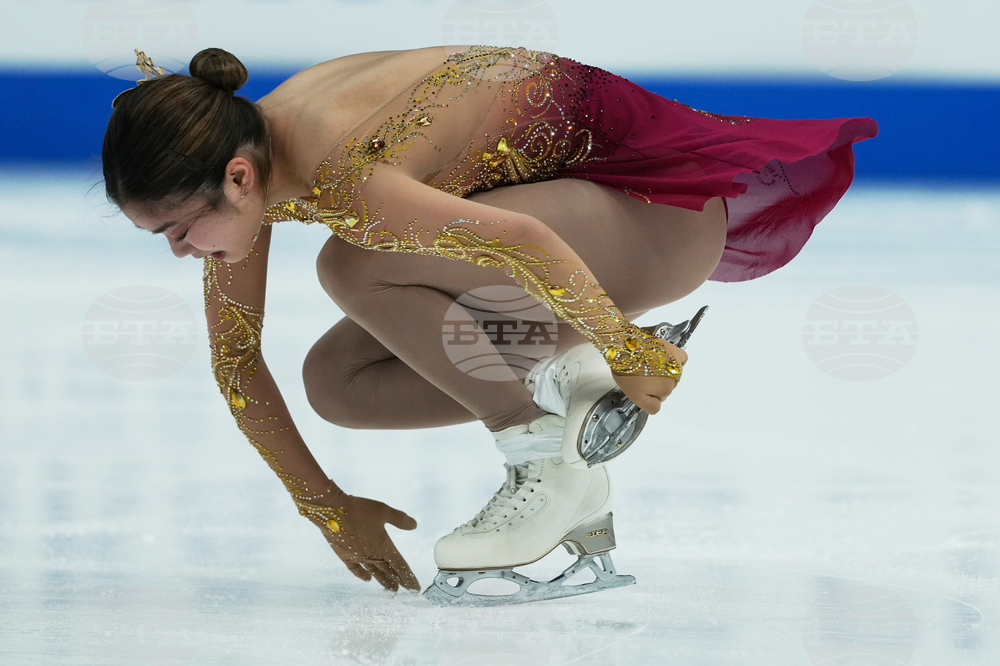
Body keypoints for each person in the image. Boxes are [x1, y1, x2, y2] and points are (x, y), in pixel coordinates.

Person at [102, 45, 878, 601]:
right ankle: (569, 389)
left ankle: (545, 457)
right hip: (579, 233)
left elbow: (522, 241)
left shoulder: (343, 169)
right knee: (337, 384)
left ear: (237, 178)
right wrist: (327, 506)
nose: (181, 254)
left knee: (352, 265)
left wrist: (630, 347)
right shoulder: (247, 154)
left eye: (178, 230)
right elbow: (237, 363)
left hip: (657, 224)